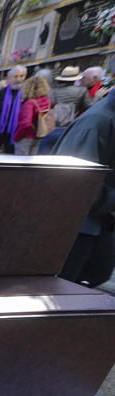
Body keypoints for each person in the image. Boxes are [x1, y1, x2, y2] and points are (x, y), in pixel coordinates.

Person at [52, 90, 115, 287]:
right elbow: (75, 184)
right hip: (78, 229)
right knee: (63, 287)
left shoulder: (102, 119)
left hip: (94, 224)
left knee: (95, 276)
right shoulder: (96, 122)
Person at [0, 65, 27, 153]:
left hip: (15, 133)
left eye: (21, 76)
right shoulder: (0, 94)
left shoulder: (26, 95)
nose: (18, 79)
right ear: (9, 78)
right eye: (16, 76)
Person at [14, 75, 52, 155]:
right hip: (40, 135)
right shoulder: (46, 101)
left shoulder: (29, 103)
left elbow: (26, 123)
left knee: (21, 163)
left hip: (26, 138)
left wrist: (17, 137)